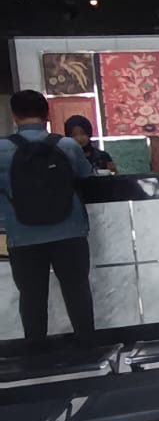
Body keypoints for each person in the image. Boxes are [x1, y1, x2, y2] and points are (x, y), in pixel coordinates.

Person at [0, 91, 96, 351]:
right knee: (77, 291)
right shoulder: (67, 146)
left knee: (31, 295)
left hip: (23, 235)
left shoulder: (2, 150)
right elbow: (86, 175)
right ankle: (88, 348)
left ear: (14, 116)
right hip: (70, 231)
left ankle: (36, 352)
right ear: (47, 114)